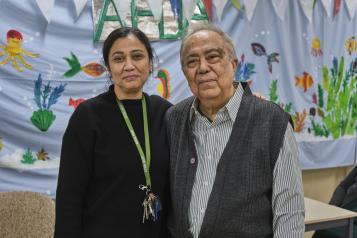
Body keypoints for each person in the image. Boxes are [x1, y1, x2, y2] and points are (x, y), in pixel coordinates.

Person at [165, 23, 305, 237]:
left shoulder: (271, 121)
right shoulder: (174, 119)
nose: (202, 68)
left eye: (212, 57)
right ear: (185, 72)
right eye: (192, 61)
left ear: (234, 63)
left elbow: (289, 212)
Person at [54, 27, 171, 238]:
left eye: (137, 56)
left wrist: (245, 99)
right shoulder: (88, 116)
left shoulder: (165, 112)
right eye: (118, 59)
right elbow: (69, 196)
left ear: (150, 63)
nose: (129, 66)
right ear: (109, 68)